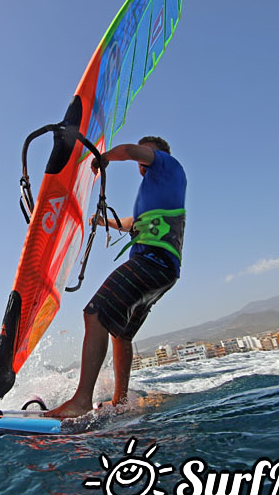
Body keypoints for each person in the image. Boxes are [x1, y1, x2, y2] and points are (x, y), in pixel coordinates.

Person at [46, 136, 186, 419]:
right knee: (121, 333)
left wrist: (105, 157)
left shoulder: (168, 166)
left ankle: (81, 401)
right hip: (163, 268)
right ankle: (120, 402)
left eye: (146, 155)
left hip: (153, 261)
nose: (140, 161)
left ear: (156, 154)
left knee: (95, 313)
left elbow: (131, 150)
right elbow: (134, 224)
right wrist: (104, 222)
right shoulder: (157, 188)